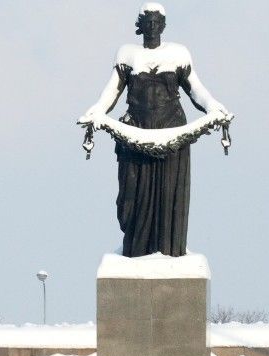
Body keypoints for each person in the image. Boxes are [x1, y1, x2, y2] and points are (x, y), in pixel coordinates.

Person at [79, 2, 229, 257]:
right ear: (139, 25)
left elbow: (196, 90)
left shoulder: (179, 54)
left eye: (155, 22)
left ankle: (167, 255)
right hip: (135, 132)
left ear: (163, 25)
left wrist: (215, 107)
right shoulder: (127, 54)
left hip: (171, 133)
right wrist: (95, 112)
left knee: (168, 196)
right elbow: (112, 92)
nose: (151, 27)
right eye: (146, 22)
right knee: (131, 200)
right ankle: (136, 253)